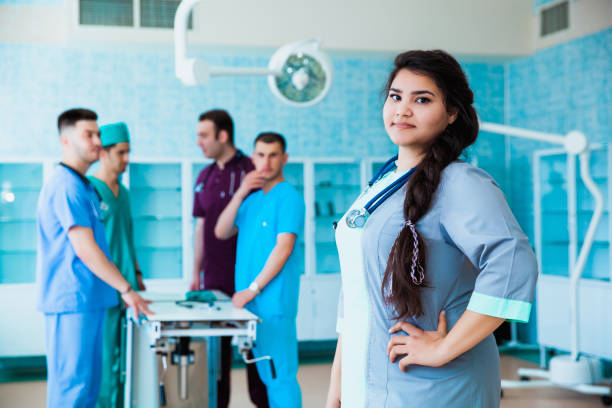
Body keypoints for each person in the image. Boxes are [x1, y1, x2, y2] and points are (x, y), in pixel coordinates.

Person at [325, 50, 538, 407]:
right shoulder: (383, 183)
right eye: (395, 96)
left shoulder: (461, 182)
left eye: (421, 99)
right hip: (369, 381)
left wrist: (444, 348)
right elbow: (357, 293)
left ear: (452, 112)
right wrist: (337, 388)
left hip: (433, 385)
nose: (402, 110)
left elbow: (514, 264)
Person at [36, 108, 152, 408]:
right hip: (70, 300)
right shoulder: (64, 185)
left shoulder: (84, 186)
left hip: (92, 298)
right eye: (88, 134)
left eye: (98, 134)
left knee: (88, 389)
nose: (97, 141)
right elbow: (85, 248)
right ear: (66, 140)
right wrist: (126, 289)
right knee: (71, 389)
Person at [215, 132, 305, 408]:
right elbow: (221, 231)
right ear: (253, 158)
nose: (266, 162)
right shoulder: (252, 201)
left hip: (273, 303)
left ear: (284, 158)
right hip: (252, 305)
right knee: (268, 377)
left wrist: (251, 289)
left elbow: (284, 248)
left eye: (273, 155)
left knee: (281, 377)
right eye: (261, 155)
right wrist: (241, 191)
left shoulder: (289, 197)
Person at [190, 109, 269, 408]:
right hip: (214, 279)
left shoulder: (252, 169)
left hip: (249, 279)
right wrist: (195, 272)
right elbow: (200, 227)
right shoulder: (204, 176)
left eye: (203, 135)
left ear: (223, 135)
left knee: (257, 356)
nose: (199, 142)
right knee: (215, 359)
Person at [87, 122, 145, 408]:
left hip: (129, 288)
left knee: (128, 360)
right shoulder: (90, 191)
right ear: (103, 153)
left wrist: (136, 272)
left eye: (128, 152)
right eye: (121, 152)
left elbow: (128, 237)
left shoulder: (125, 193)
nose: (126, 159)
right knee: (106, 360)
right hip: (104, 289)